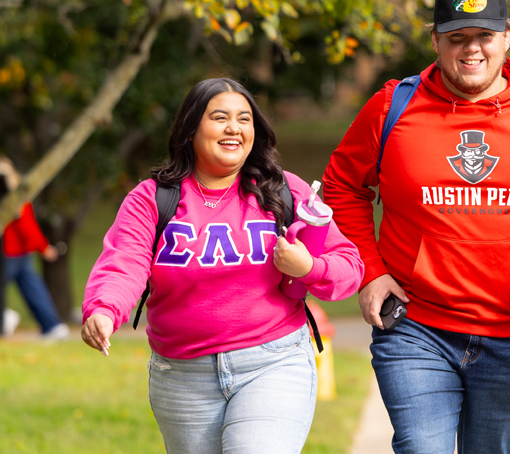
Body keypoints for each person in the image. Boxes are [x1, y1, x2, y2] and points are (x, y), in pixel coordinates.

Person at [323, 0, 510, 453]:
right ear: (436, 41)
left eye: (484, 36)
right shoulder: (393, 106)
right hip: (414, 327)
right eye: (457, 38)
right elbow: (342, 187)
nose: (472, 50)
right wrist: (370, 272)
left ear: (507, 37)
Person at [81, 78, 363, 453]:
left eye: (244, 119)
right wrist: (104, 308)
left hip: (272, 362)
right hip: (181, 375)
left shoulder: (284, 191)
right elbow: (125, 261)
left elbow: (348, 266)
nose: (234, 127)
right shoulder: (153, 198)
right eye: (220, 117)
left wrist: (308, 266)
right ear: (191, 129)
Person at [0, 156, 69, 340]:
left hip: (10, 253)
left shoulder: (15, 195)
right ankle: (52, 326)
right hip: (19, 253)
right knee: (33, 289)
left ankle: (6, 319)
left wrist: (43, 247)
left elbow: (25, 225)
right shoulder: (19, 193)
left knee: (33, 289)